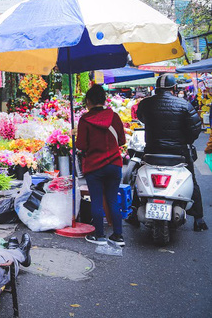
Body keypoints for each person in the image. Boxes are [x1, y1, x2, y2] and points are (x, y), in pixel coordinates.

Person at [137, 74, 207, 231]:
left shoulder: (146, 104)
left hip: (152, 152)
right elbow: (195, 129)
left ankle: (133, 213)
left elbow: (141, 117)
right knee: (192, 181)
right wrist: (184, 140)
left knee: (137, 174)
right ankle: (198, 219)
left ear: (156, 88)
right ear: (174, 88)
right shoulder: (184, 105)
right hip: (179, 153)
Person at [76, 84, 126, 246]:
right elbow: (122, 141)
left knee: (97, 200)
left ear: (89, 101)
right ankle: (118, 236)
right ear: (104, 100)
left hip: (94, 166)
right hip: (114, 165)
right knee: (112, 200)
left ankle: (100, 236)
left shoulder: (85, 120)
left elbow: (81, 145)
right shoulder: (114, 117)